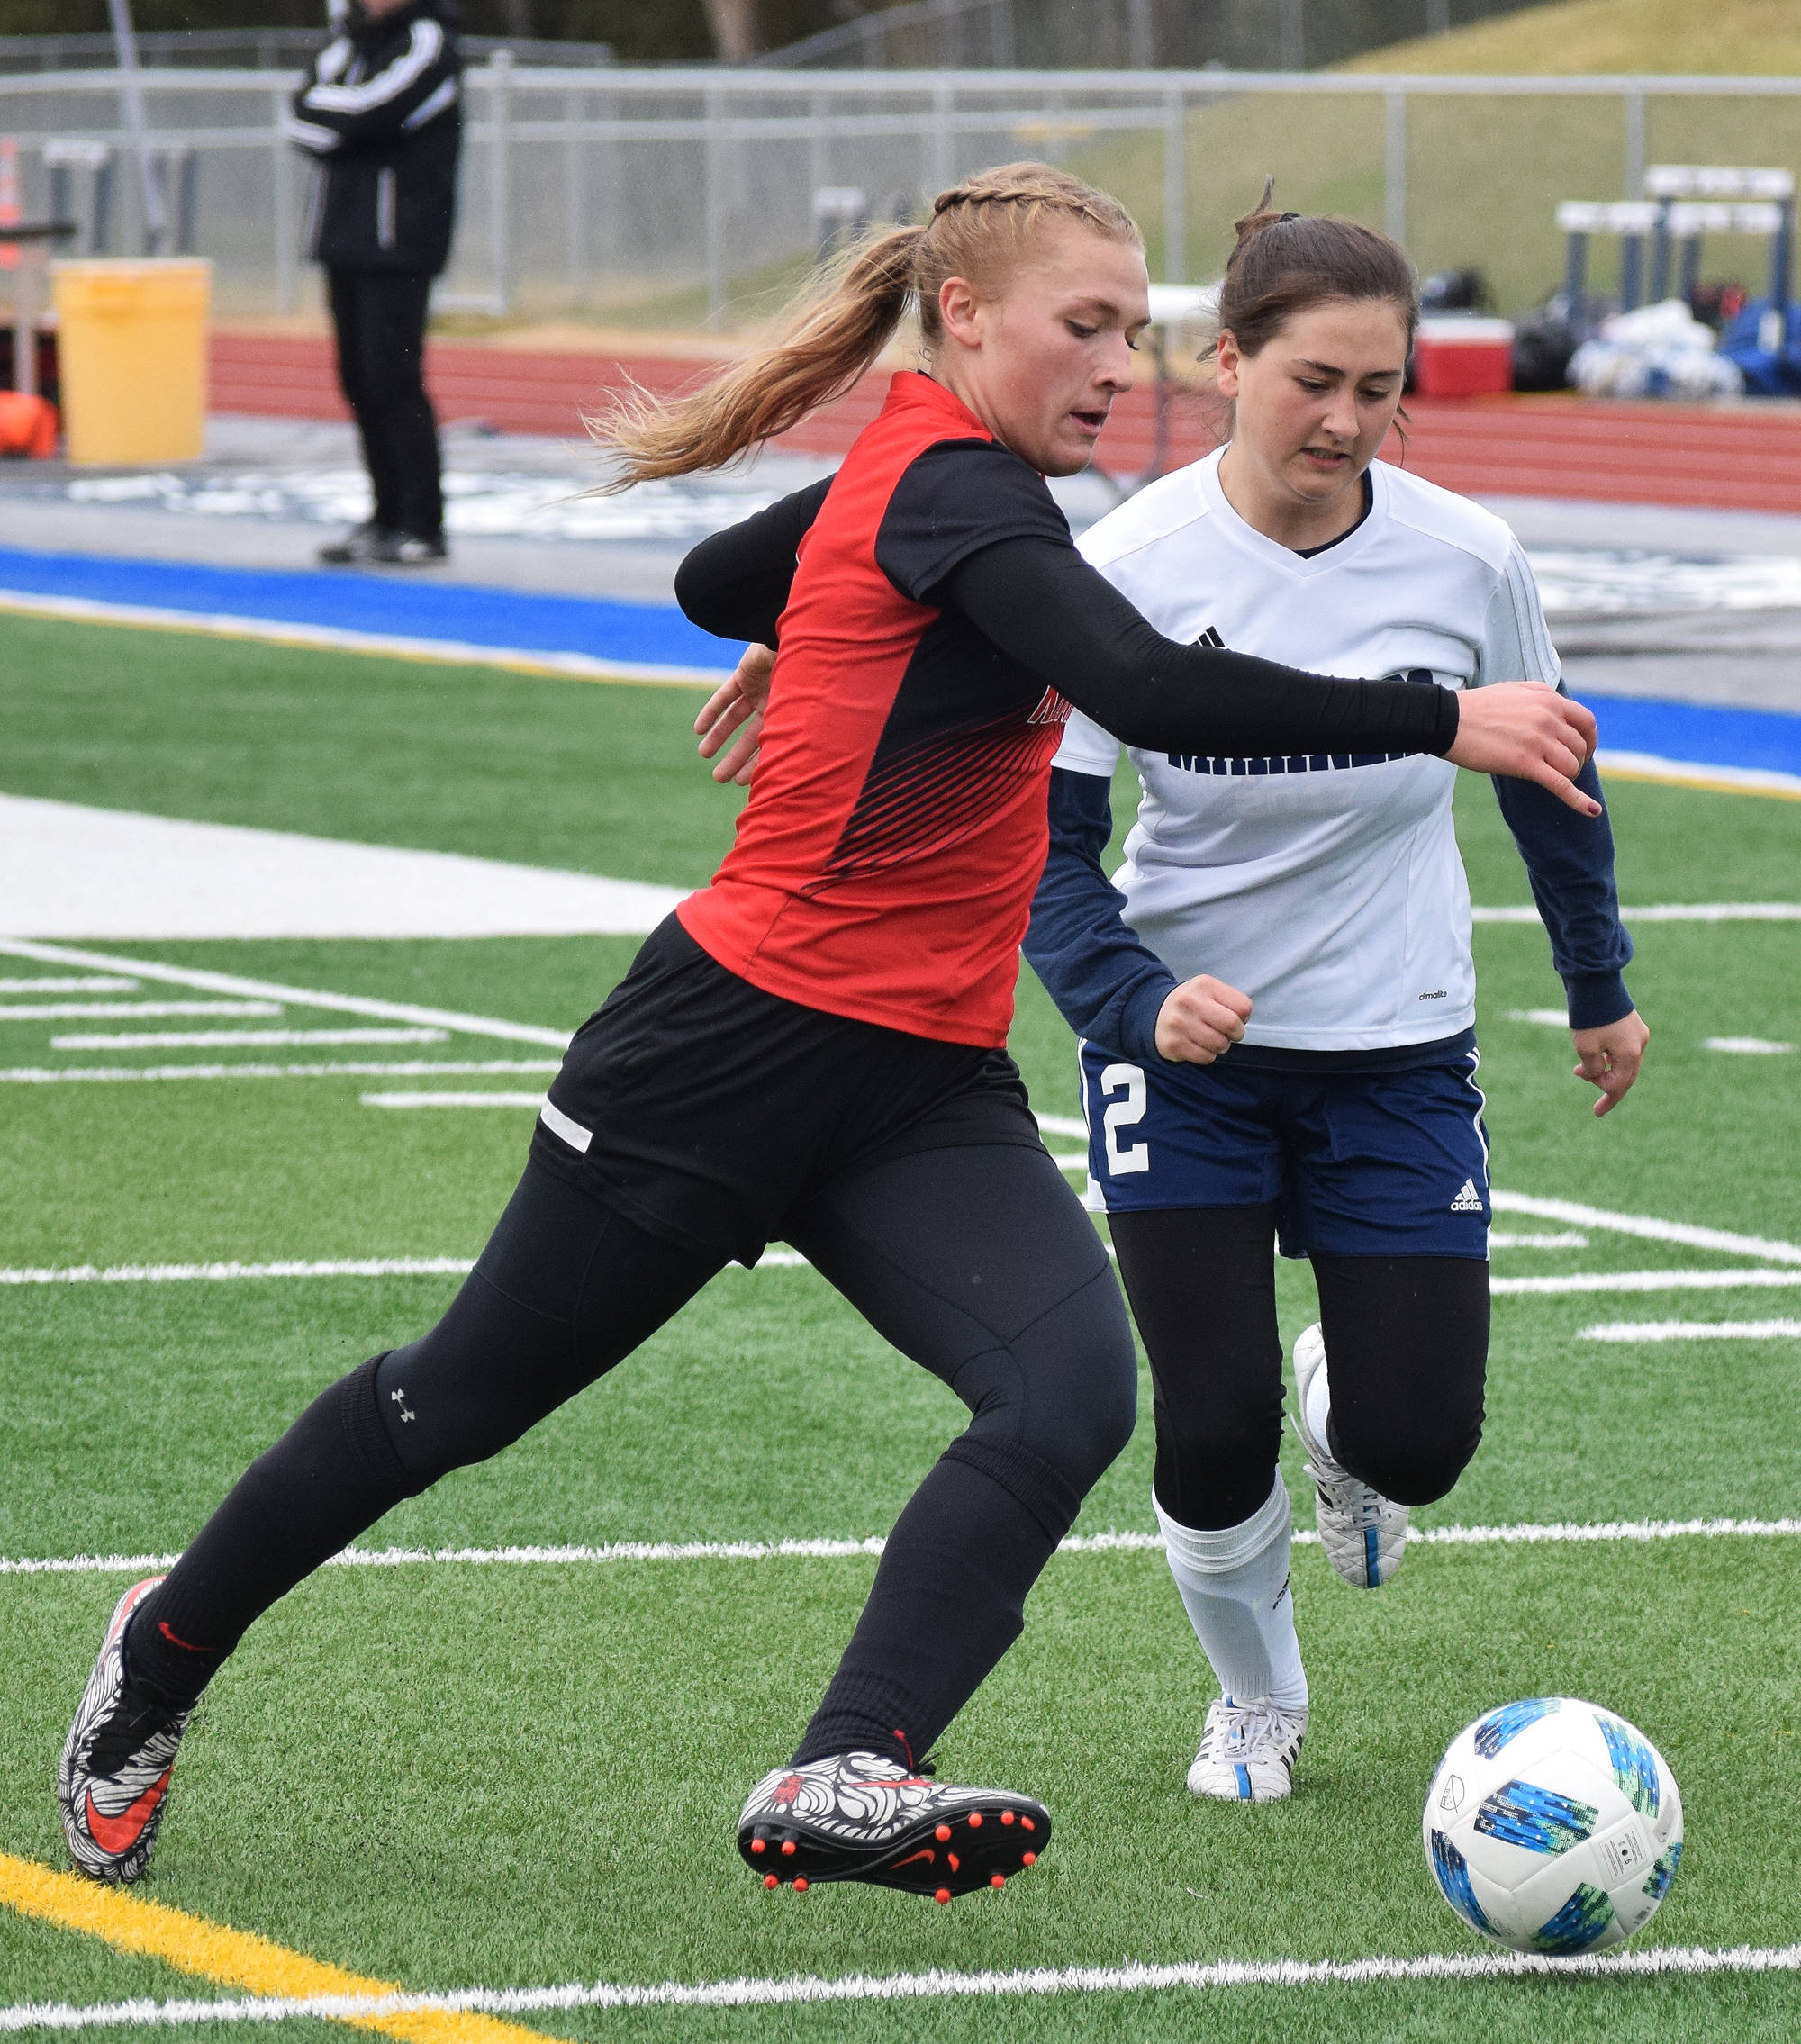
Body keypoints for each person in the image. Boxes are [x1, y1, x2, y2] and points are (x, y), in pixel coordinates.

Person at [59, 166, 1599, 1901]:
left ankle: (853, 1759)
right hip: (719, 1054)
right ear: (964, 318)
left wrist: (833, 620)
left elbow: (726, 574)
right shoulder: (962, 489)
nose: (1120, 364)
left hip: (918, 1082)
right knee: (456, 1404)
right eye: (1083, 327)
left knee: (1069, 1392)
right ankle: (161, 1652)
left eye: (1133, 331)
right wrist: (1441, 711)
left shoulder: (951, 498)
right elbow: (1151, 688)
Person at [1019, 195, 1646, 1805]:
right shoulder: (1129, 566)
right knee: (1208, 1417)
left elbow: (1549, 768)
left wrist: (1600, 985)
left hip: (1399, 1050)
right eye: (1314, 380)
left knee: (1421, 1440)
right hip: (1185, 1060)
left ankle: (1349, 1422)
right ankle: (1256, 1699)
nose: (1349, 420)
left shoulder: (1466, 555)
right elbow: (1051, 849)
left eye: (1382, 389)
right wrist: (1131, 1002)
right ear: (1225, 362)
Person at [292, 0, 461, 568]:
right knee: (358, 380)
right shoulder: (346, 42)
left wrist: (338, 119)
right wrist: (340, 121)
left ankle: (422, 524)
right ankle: (383, 515)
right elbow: (299, 118)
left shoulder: (427, 40)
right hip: (342, 239)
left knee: (395, 379)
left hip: (399, 244)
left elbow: (371, 112)